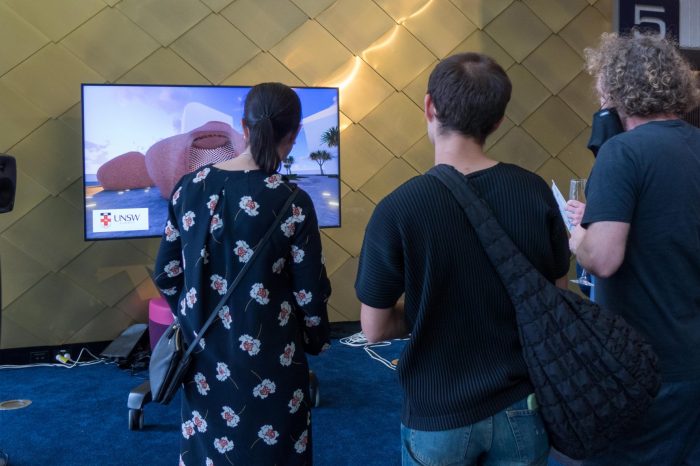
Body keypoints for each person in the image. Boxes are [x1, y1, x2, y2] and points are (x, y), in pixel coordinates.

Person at [355, 53, 570, 465]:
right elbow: (555, 297)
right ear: (497, 121)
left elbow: (374, 329)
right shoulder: (535, 192)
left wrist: (424, 308)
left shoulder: (398, 208)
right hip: (521, 406)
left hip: (437, 414)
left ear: (429, 107)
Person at [153, 82, 331, 466]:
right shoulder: (293, 202)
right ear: (294, 134)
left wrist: (193, 315)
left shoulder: (188, 188)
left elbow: (166, 274)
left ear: (243, 127)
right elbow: (309, 296)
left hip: (203, 358)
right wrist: (315, 340)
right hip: (274, 361)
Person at [569, 32, 700, 465]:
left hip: (641, 363)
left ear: (613, 90)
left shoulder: (621, 153)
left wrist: (578, 237)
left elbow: (603, 259)